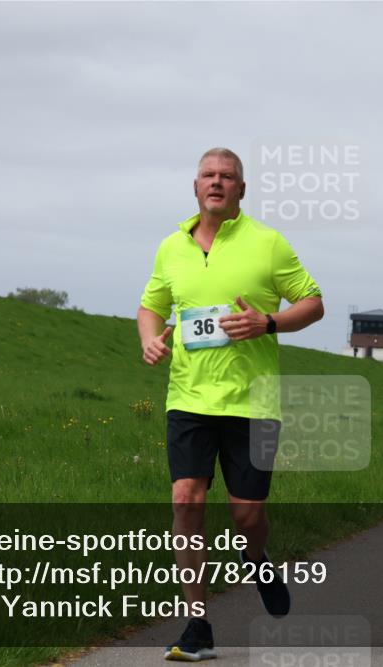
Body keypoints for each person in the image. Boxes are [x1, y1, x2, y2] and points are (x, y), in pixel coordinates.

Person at [138, 148, 323, 662]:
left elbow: (313, 303)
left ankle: (257, 559)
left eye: (227, 176)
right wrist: (149, 339)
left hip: (253, 403)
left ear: (242, 188)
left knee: (247, 515)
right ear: (195, 186)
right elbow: (151, 306)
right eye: (208, 175)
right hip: (188, 398)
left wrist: (268, 322)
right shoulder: (171, 247)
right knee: (186, 500)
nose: (216, 182)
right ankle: (197, 624)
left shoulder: (268, 243)